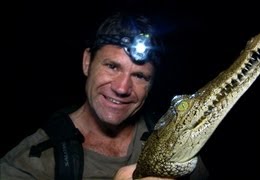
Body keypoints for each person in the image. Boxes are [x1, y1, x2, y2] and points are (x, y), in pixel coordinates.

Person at [0, 11, 209, 179]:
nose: (122, 88)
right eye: (112, 66)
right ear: (87, 62)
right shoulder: (28, 163)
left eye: (140, 76)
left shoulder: (177, 141)